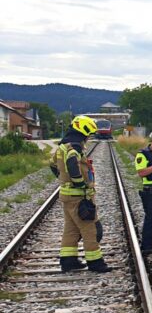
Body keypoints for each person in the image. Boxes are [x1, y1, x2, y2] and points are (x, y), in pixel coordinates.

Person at [50, 115, 111, 273]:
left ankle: (68, 261)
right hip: (78, 196)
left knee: (70, 229)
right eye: (88, 134)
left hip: (67, 195)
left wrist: (63, 178)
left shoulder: (63, 146)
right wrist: (79, 183)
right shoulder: (75, 147)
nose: (88, 138)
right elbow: (72, 163)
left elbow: (52, 164)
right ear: (83, 131)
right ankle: (95, 262)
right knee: (90, 229)